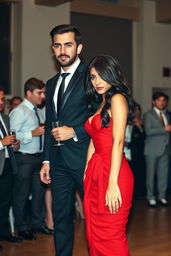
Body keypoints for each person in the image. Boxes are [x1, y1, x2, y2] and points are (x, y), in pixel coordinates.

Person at [40, 24, 91, 256]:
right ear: (53, 49)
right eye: (58, 45)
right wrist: (46, 161)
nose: (63, 50)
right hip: (58, 162)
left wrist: (76, 131)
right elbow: (50, 124)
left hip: (85, 159)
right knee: (61, 217)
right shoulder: (50, 84)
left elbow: (104, 117)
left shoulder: (91, 77)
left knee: (94, 216)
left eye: (68, 44)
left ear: (78, 47)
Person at [83, 55, 134, 255]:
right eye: (93, 77)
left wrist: (113, 183)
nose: (96, 82)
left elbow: (118, 141)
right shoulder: (102, 102)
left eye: (101, 76)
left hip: (115, 172)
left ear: (112, 75)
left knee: (112, 234)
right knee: (94, 232)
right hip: (96, 172)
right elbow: (93, 140)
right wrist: (87, 170)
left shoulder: (117, 99)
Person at [10, 78, 47, 240]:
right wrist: (32, 134)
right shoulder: (19, 111)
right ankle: (22, 228)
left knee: (39, 193)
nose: (43, 96)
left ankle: (38, 224)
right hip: (24, 158)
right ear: (29, 93)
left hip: (38, 158)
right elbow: (11, 135)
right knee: (22, 195)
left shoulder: (37, 110)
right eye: (40, 93)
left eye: (44, 92)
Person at [0, 88, 21, 244]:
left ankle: (4, 233)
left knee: (5, 202)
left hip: (7, 164)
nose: (2, 103)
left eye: (2, 99)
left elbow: (10, 141)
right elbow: (3, 141)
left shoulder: (5, 118)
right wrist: (2, 143)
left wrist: (14, 145)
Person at [144, 91, 171, 207]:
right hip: (151, 149)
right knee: (150, 175)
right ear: (153, 102)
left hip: (165, 148)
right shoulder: (148, 115)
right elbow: (148, 131)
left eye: (163, 100)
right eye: (159, 100)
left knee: (163, 174)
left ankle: (162, 196)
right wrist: (163, 129)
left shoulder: (166, 115)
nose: (162, 102)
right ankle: (150, 197)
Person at [128, 103, 146, 199]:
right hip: (132, 151)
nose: (137, 111)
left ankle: (141, 193)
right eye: (135, 109)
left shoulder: (143, 121)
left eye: (138, 109)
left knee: (141, 172)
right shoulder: (129, 122)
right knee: (133, 172)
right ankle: (134, 194)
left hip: (142, 151)